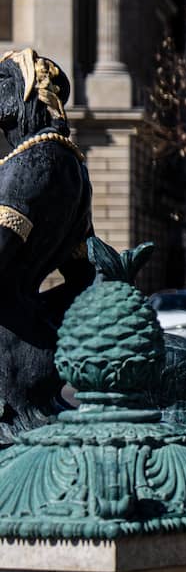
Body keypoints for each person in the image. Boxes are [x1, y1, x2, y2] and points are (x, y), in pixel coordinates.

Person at [0, 49, 94, 441]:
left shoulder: (30, 163)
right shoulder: (73, 168)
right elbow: (85, 272)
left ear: (21, 96)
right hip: (30, 342)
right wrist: (39, 312)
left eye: (2, 82)